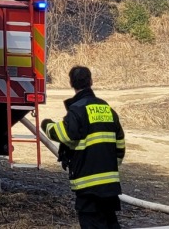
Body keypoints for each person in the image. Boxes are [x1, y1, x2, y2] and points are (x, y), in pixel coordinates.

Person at [41, 66, 126, 229]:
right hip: (110, 185)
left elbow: (65, 134)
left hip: (88, 186)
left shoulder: (77, 110)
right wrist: (109, 166)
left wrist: (47, 125)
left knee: (92, 223)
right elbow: (120, 143)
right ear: (91, 81)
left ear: (71, 84)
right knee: (110, 222)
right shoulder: (107, 109)